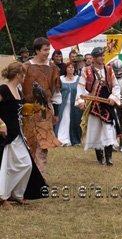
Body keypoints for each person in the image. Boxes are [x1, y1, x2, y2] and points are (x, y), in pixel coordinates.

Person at [0, 62, 46, 209]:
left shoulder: (18, 91)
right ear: (18, 75)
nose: (25, 76)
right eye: (24, 74)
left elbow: (16, 111)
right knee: (6, 166)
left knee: (26, 164)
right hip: (5, 134)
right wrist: (1, 124)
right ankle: (3, 197)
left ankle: (16, 194)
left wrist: (28, 109)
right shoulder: (3, 89)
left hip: (17, 132)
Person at [22, 37, 62, 179]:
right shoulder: (25, 67)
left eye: (48, 49)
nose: (47, 53)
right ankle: (27, 179)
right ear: (37, 50)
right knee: (28, 143)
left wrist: (55, 113)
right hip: (27, 110)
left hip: (46, 110)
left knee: (43, 145)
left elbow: (56, 93)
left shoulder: (53, 68)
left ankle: (41, 179)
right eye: (45, 50)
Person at [75, 47, 120, 165]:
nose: (103, 57)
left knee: (109, 128)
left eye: (103, 55)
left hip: (107, 104)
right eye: (100, 56)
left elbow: (116, 86)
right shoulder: (87, 71)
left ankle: (109, 158)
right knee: (95, 130)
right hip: (93, 104)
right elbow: (80, 87)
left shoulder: (109, 70)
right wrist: (81, 101)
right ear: (94, 58)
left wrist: (113, 98)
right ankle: (100, 158)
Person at [55, 62, 82, 147]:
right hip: (63, 105)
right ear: (65, 69)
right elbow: (57, 91)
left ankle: (75, 140)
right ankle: (62, 139)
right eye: (69, 67)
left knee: (75, 121)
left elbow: (81, 91)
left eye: (72, 67)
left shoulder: (78, 79)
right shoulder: (61, 79)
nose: (71, 69)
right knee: (63, 120)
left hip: (75, 105)